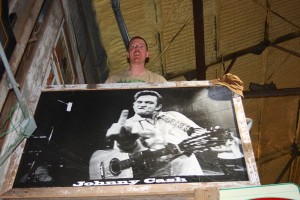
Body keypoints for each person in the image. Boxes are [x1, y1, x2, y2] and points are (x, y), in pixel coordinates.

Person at [101, 90, 243, 178]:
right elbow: (118, 149)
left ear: (158, 106)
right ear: (134, 105)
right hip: (147, 181)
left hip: (185, 173)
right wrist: (124, 142)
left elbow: (198, 132)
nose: (143, 104)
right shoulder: (128, 124)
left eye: (148, 102)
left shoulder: (173, 116)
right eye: (139, 102)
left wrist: (220, 141)